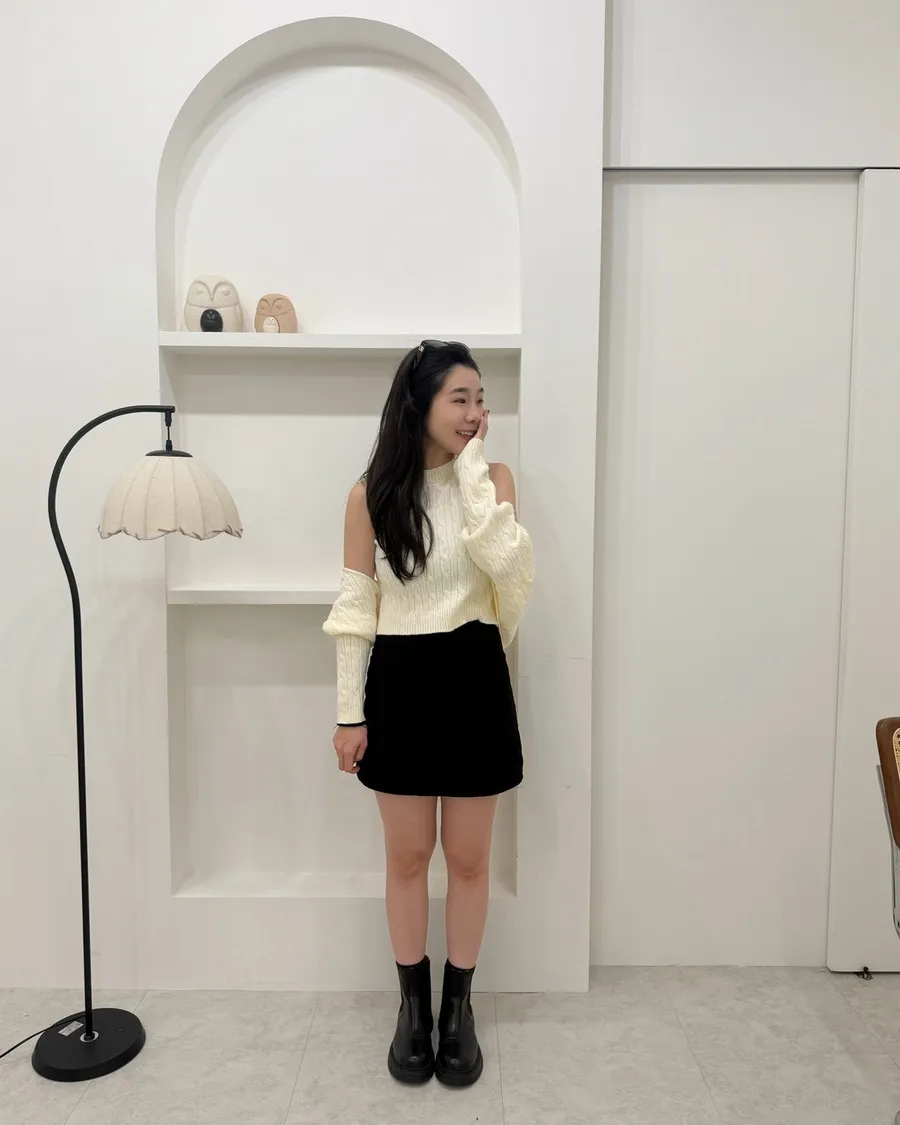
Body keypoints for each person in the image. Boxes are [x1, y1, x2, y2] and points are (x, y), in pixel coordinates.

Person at [323, 339, 534, 1087]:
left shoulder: (495, 481)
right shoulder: (370, 496)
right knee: (409, 857)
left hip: (475, 674)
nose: (476, 413)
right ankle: (413, 1008)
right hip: (401, 681)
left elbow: (511, 573)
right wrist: (349, 713)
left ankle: (457, 1010)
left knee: (470, 859)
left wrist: (472, 473)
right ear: (420, 404)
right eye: (460, 398)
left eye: (481, 400)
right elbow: (357, 608)